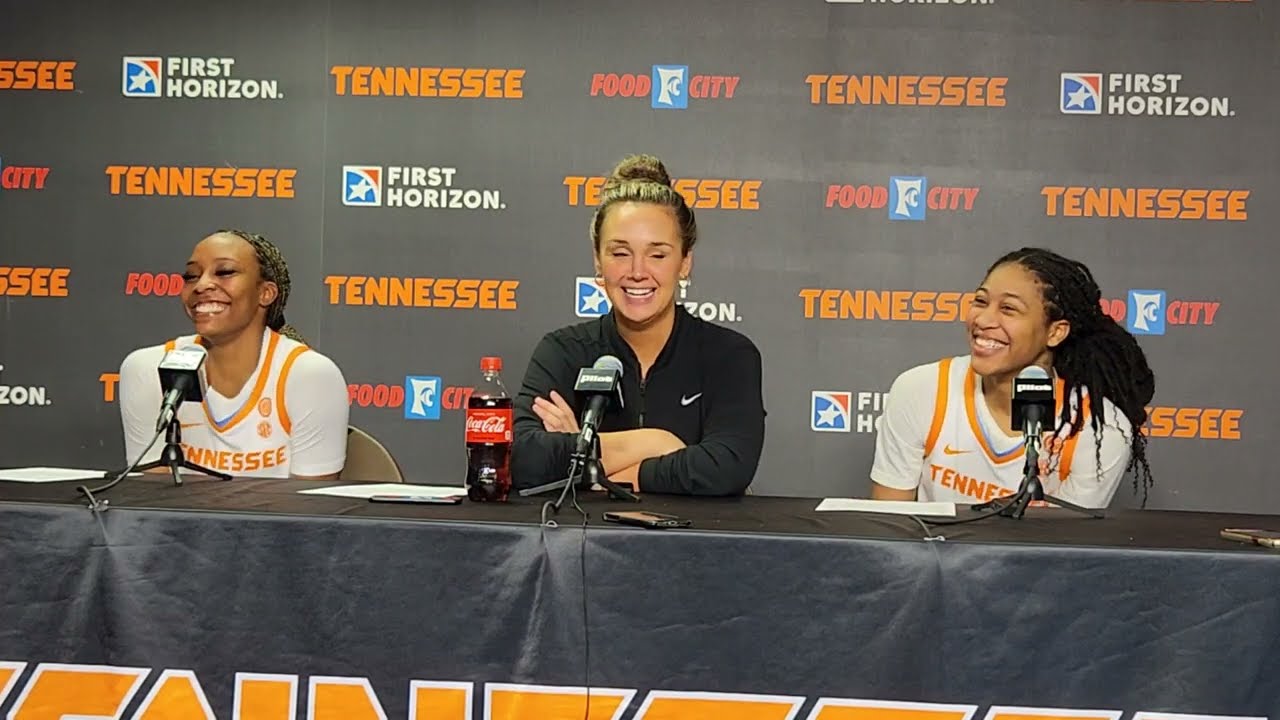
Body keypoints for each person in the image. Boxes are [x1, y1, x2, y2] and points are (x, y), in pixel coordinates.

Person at [511, 154, 765, 496]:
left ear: (685, 261)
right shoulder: (563, 351)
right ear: (597, 261)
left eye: (657, 254)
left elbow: (726, 466)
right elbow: (519, 459)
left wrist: (587, 463)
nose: (637, 271)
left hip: (697, 547)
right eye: (619, 253)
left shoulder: (728, 355)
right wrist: (654, 442)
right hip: (585, 548)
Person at [870, 247, 1156, 509]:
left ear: (1055, 332)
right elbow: (892, 529)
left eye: (1008, 309)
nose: (983, 320)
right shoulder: (921, 389)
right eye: (980, 301)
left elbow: (1063, 554)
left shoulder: (1101, 428)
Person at [118, 229, 349, 480]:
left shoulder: (310, 376)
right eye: (191, 276)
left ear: (266, 293)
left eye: (225, 272)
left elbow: (309, 508)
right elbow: (149, 501)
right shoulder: (148, 368)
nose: (202, 285)